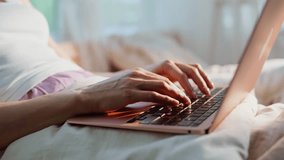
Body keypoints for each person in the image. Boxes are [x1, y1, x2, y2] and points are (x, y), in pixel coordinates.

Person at [0, 0, 214, 149]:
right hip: (40, 110)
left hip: (82, 87)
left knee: (217, 114)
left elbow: (62, 67)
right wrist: (84, 99)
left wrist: (131, 76)